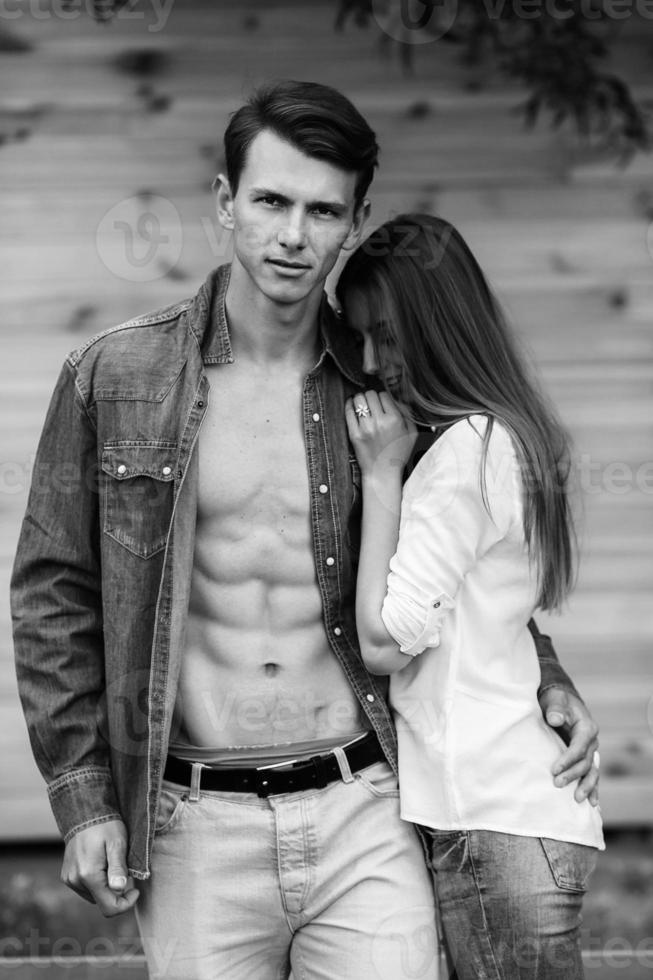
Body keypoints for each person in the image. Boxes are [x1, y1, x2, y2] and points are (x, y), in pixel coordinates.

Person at [11, 84, 598, 980]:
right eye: (271, 201)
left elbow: (471, 556)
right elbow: (53, 592)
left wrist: (546, 677)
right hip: (193, 819)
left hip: (365, 802)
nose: (293, 235)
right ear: (224, 202)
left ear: (354, 222)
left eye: (322, 210)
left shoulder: (388, 388)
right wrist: (86, 800)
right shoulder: (117, 374)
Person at [337, 212, 604, 980]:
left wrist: (382, 475)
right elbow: (507, 623)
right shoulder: (508, 436)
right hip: (521, 820)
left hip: (493, 823)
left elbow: (385, 641)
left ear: (436, 325)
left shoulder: (462, 451)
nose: (369, 361)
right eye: (358, 339)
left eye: (384, 335)